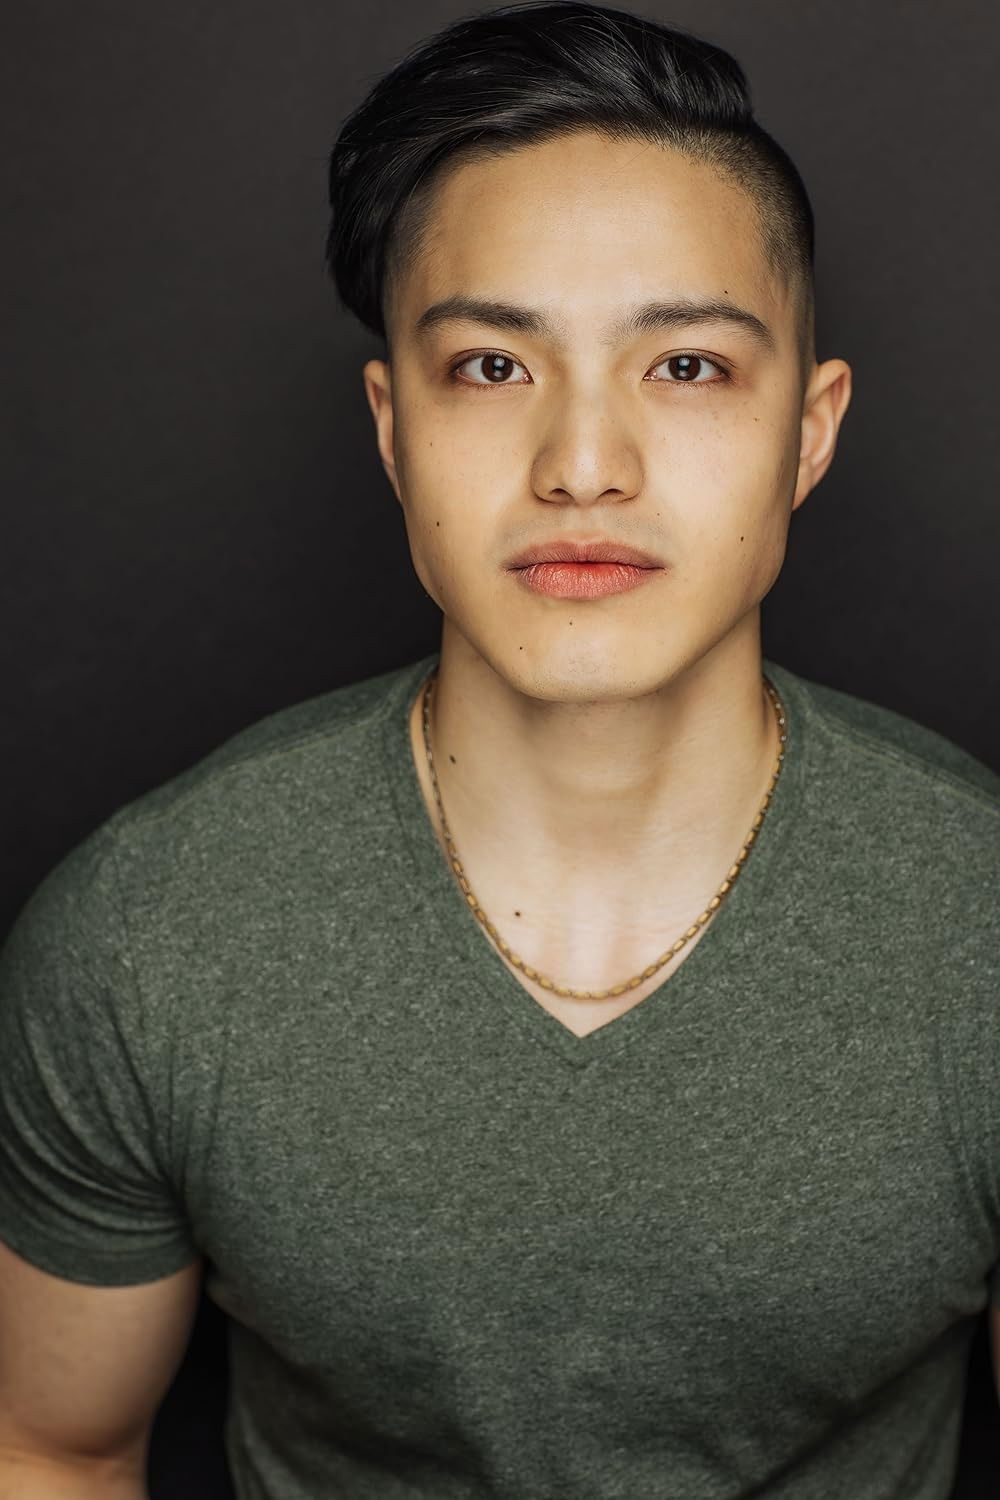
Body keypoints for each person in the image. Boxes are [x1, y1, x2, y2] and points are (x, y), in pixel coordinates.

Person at [1, 3, 998, 1496]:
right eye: (491, 366)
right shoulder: (148, 934)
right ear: (391, 427)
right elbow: (50, 1450)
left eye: (686, 367)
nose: (583, 466)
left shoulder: (979, 929)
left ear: (810, 429)